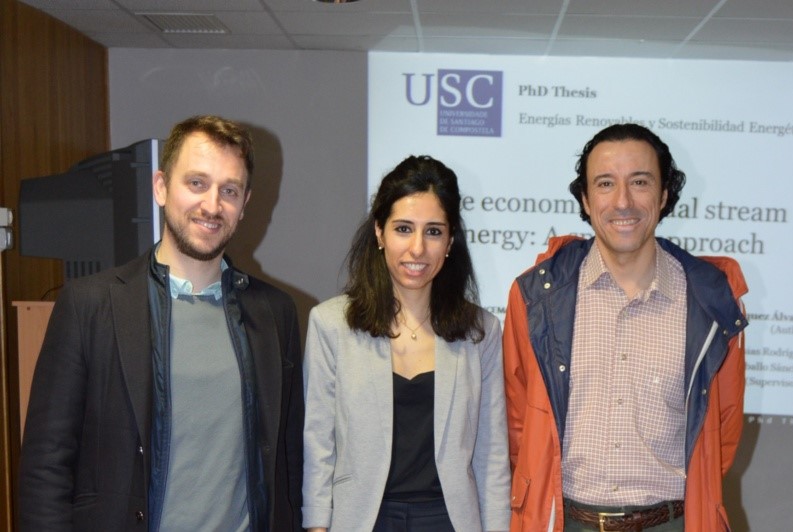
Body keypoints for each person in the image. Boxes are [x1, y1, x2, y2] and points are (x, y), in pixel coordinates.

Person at [19, 115, 304, 531]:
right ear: (161, 187)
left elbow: (289, 462)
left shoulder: (275, 313)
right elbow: (46, 465)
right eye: (197, 183)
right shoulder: (89, 305)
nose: (212, 205)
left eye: (229, 190)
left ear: (244, 204)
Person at [503, 124, 748, 531]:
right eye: (605, 183)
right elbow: (517, 426)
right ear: (585, 199)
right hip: (565, 522)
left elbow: (723, 432)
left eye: (640, 182)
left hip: (672, 523)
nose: (622, 201)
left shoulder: (711, 301)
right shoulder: (534, 297)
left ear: (664, 194)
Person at [302, 155, 511, 532]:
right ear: (379, 232)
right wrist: (317, 525)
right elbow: (319, 443)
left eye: (433, 232)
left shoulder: (481, 331)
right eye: (403, 229)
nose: (417, 248)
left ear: (450, 241)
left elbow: (492, 453)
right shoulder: (331, 324)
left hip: (449, 521)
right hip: (362, 519)